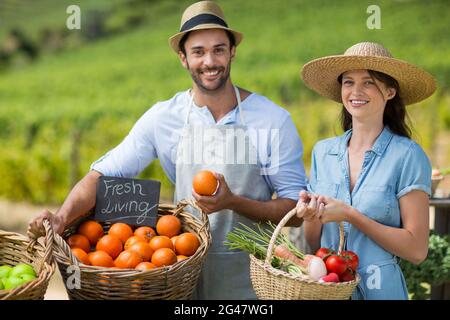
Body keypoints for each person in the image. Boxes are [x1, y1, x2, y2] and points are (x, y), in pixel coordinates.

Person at [28, 1, 307, 299]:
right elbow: (103, 174)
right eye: (198, 51)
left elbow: (296, 212)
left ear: (232, 52)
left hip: (250, 281)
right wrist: (60, 219)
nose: (210, 61)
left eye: (218, 49)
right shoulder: (165, 117)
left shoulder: (273, 120)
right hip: (178, 274)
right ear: (183, 58)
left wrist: (233, 202)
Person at [296, 42, 436, 300]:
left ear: (390, 91)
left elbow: (417, 250)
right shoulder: (323, 152)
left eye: (368, 82)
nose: (355, 91)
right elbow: (314, 245)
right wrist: (310, 216)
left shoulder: (408, 156)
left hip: (383, 292)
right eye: (348, 82)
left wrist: (351, 215)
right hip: (329, 292)